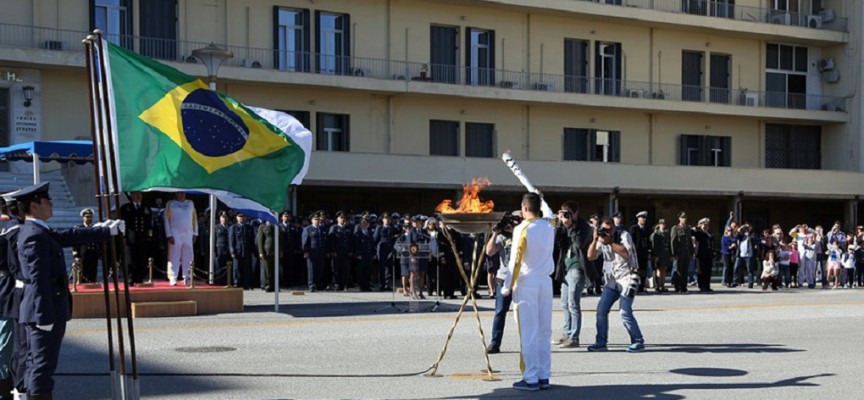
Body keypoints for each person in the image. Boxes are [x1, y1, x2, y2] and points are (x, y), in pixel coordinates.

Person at [14, 182, 118, 399]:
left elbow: (70, 235)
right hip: (43, 311)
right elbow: (38, 278)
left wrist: (105, 230)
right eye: (46, 201)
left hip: (45, 308)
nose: (51, 204)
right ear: (34, 206)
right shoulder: (34, 234)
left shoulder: (39, 230)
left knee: (39, 363)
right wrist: (44, 315)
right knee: (42, 366)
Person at [499, 192, 554, 391]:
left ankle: (530, 377)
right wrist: (541, 200)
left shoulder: (522, 229)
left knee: (529, 331)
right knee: (543, 332)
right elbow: (550, 212)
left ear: (523, 208)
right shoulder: (549, 225)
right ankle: (543, 375)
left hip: (527, 283)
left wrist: (506, 287)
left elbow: (515, 261)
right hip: (545, 283)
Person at [587, 216, 645, 353]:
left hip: (629, 276)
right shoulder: (601, 238)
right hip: (612, 280)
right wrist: (595, 240)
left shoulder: (624, 235)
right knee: (601, 310)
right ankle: (601, 342)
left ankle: (638, 341)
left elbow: (627, 253)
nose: (607, 232)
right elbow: (591, 256)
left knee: (624, 311)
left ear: (614, 227)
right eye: (604, 229)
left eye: (610, 229)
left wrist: (610, 242)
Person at [554, 201, 592, 349]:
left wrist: (570, 226)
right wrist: (560, 223)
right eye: (563, 212)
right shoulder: (564, 225)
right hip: (565, 267)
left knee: (573, 304)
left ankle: (574, 337)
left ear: (576, 213)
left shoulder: (584, 226)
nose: (565, 216)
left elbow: (579, 243)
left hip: (577, 268)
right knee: (564, 303)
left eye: (568, 213)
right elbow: (555, 240)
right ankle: (566, 334)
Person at [484, 211, 520, 354]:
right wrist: (495, 233)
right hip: (504, 279)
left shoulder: (524, 234)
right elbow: (489, 251)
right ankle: (495, 342)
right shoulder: (501, 237)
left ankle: (528, 342)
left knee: (523, 313)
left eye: (516, 219)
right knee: (500, 312)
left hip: (521, 280)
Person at [164, 192, 198, 286]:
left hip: (188, 233)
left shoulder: (190, 203)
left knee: (188, 256)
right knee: (174, 256)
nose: (182, 195)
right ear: (175, 194)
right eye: (179, 193)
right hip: (175, 233)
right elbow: (166, 219)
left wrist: (195, 233)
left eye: (183, 193)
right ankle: (173, 277)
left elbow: (194, 218)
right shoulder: (170, 203)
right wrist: (168, 235)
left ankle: (187, 277)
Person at [120, 191, 153, 284]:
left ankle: (139, 278)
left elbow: (149, 224)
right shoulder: (126, 208)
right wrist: (123, 236)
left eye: (140, 194)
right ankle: (130, 278)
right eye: (136, 194)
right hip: (130, 238)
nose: (138, 196)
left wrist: (149, 237)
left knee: (141, 259)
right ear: (132, 196)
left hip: (142, 238)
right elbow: (122, 224)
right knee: (130, 260)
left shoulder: (146, 207)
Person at [73, 208, 101, 283]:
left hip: (93, 253)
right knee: (84, 273)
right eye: (87, 217)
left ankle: (92, 284)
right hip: (83, 254)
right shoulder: (79, 228)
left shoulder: (94, 228)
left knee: (93, 272)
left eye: (90, 217)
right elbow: (75, 243)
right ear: (83, 218)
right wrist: (76, 255)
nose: (89, 219)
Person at [301, 212, 328, 292]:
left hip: (321, 252)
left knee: (320, 269)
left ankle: (319, 284)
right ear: (312, 220)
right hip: (312, 252)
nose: (317, 221)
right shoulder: (308, 229)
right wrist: (305, 251)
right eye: (316, 219)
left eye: (318, 219)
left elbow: (325, 241)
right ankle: (311, 285)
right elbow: (305, 241)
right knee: (311, 269)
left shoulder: (322, 229)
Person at [229, 213, 256, 290]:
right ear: (236, 218)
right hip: (238, 251)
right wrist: (232, 251)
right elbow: (231, 241)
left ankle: (246, 284)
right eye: (240, 216)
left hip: (247, 250)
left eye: (243, 216)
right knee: (236, 268)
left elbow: (252, 240)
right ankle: (237, 283)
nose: (241, 218)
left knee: (247, 268)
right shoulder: (233, 227)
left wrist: (253, 251)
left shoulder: (249, 227)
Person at [328, 212, 354, 291]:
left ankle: (345, 285)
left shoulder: (349, 227)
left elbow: (351, 240)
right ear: (337, 219)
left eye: (344, 218)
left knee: (345, 269)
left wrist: (351, 250)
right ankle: (337, 284)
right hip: (337, 252)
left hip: (346, 252)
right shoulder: (334, 228)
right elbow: (331, 240)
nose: (342, 219)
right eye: (341, 218)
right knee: (336, 269)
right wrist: (332, 251)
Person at [629, 211, 652, 292]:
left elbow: (648, 241)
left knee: (643, 270)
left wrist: (649, 251)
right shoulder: (634, 228)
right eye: (642, 218)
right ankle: (635, 286)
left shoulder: (646, 229)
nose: (644, 220)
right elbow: (631, 241)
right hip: (636, 253)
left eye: (645, 218)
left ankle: (642, 286)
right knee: (636, 270)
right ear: (638, 218)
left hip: (644, 253)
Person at [670, 211, 693, 293]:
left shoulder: (687, 228)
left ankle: (684, 287)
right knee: (678, 271)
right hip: (679, 253)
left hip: (686, 253)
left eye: (685, 217)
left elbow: (689, 241)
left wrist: (691, 252)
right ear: (679, 218)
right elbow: (673, 241)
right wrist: (674, 253)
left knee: (685, 271)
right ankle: (678, 287)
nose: (684, 219)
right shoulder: (675, 228)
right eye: (683, 217)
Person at [693, 218, 715, 292]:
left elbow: (712, 243)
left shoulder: (710, 233)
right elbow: (691, 231)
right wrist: (697, 227)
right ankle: (701, 286)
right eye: (704, 225)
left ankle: (707, 285)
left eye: (707, 225)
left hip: (709, 254)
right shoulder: (698, 233)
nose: (705, 226)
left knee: (708, 271)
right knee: (701, 271)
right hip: (701, 255)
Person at [650, 219, 672, 293]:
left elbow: (669, 244)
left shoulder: (666, 233)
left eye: (664, 224)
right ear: (659, 225)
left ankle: (662, 285)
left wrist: (670, 254)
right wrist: (655, 255)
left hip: (665, 254)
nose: (662, 225)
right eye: (661, 224)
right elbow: (654, 245)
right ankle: (658, 286)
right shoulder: (656, 233)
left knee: (664, 270)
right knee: (658, 270)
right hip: (658, 254)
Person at [257, 220, 276, 292]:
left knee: (274, 269)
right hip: (266, 251)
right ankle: (267, 285)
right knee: (267, 270)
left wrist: (280, 250)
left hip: (275, 250)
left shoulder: (276, 225)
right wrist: (261, 252)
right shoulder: (262, 226)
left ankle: (274, 285)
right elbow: (260, 240)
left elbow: (280, 239)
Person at [213, 211, 231, 286]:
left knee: (228, 267)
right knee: (219, 266)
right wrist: (214, 250)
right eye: (223, 217)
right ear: (220, 218)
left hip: (228, 249)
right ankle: (219, 282)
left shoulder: (230, 227)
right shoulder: (216, 227)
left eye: (226, 217)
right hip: (219, 249)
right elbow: (213, 239)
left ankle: (228, 281)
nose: (224, 219)